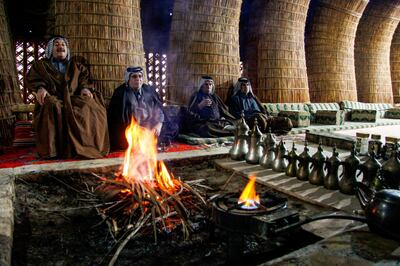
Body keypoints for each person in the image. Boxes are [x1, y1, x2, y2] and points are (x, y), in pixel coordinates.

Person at [26, 35, 109, 159]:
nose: (60, 47)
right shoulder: (41, 65)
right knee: (52, 105)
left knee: (90, 106)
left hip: (73, 98)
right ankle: (52, 151)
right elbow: (33, 79)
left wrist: (85, 89)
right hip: (53, 97)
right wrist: (40, 88)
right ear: (50, 49)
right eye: (57, 45)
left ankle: (88, 147)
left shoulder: (76, 66)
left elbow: (84, 80)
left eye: (63, 45)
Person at [107, 66, 178, 150]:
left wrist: (158, 125)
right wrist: (138, 129)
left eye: (140, 76)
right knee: (123, 138)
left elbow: (159, 110)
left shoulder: (149, 90)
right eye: (134, 76)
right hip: (131, 129)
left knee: (173, 127)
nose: (138, 79)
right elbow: (117, 121)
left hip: (149, 127)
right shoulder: (120, 94)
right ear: (128, 79)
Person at [227, 77, 292, 134]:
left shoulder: (253, 98)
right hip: (250, 120)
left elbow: (263, 110)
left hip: (263, 118)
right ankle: (268, 128)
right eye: (243, 85)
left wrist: (266, 115)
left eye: (248, 85)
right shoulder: (235, 99)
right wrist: (251, 116)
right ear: (239, 87)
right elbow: (235, 114)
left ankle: (270, 127)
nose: (246, 87)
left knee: (286, 121)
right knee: (260, 118)